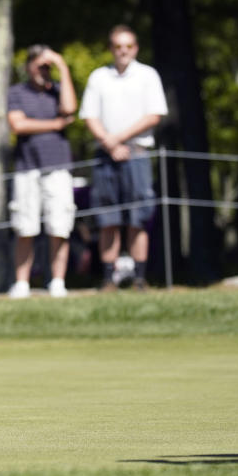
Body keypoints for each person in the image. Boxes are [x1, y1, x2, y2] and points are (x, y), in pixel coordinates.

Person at [78, 25, 168, 291]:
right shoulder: (99, 78)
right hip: (106, 157)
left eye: (128, 46)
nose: (123, 51)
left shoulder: (147, 75)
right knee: (108, 219)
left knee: (138, 218)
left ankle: (140, 278)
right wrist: (109, 143)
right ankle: (109, 278)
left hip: (137, 154)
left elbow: (154, 115)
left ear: (135, 48)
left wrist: (118, 138)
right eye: (118, 46)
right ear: (111, 48)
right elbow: (89, 115)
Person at [6, 46, 77, 299]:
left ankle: (57, 282)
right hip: (27, 168)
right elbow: (18, 124)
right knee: (25, 227)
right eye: (40, 66)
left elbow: (70, 109)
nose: (44, 71)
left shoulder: (58, 90)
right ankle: (22, 283)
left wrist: (62, 65)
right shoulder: (16, 93)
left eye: (48, 67)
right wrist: (55, 125)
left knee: (59, 226)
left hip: (58, 166)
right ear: (28, 67)